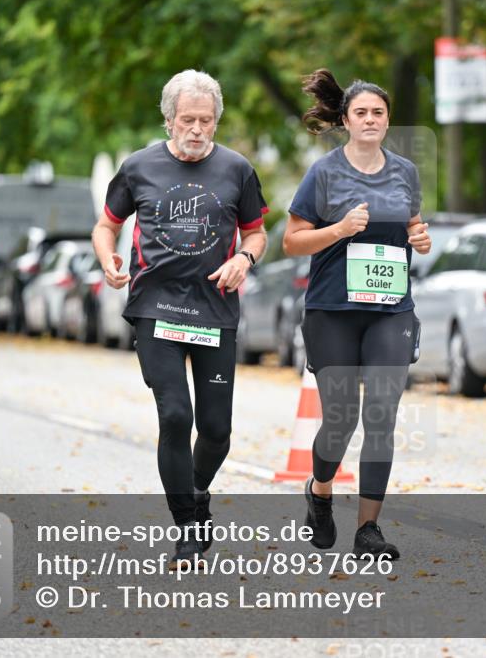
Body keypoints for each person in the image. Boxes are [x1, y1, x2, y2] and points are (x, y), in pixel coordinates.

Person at [92, 70, 268, 561]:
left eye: (206, 121)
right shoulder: (138, 167)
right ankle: (187, 522)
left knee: (215, 430)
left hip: (214, 309)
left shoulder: (237, 170)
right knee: (175, 414)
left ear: (216, 122)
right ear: (169, 120)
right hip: (157, 308)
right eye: (187, 119)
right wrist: (108, 259)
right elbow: (106, 225)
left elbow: (256, 233)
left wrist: (244, 259)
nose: (197, 129)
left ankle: (198, 491)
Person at [283, 69, 432, 559]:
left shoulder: (405, 172)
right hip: (333, 310)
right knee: (341, 418)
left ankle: (369, 529)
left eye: (378, 113)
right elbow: (292, 241)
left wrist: (420, 238)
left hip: (390, 309)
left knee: (382, 414)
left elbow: (411, 226)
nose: (370, 119)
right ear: (346, 120)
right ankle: (320, 492)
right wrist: (340, 229)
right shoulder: (324, 173)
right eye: (361, 112)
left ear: (387, 121)